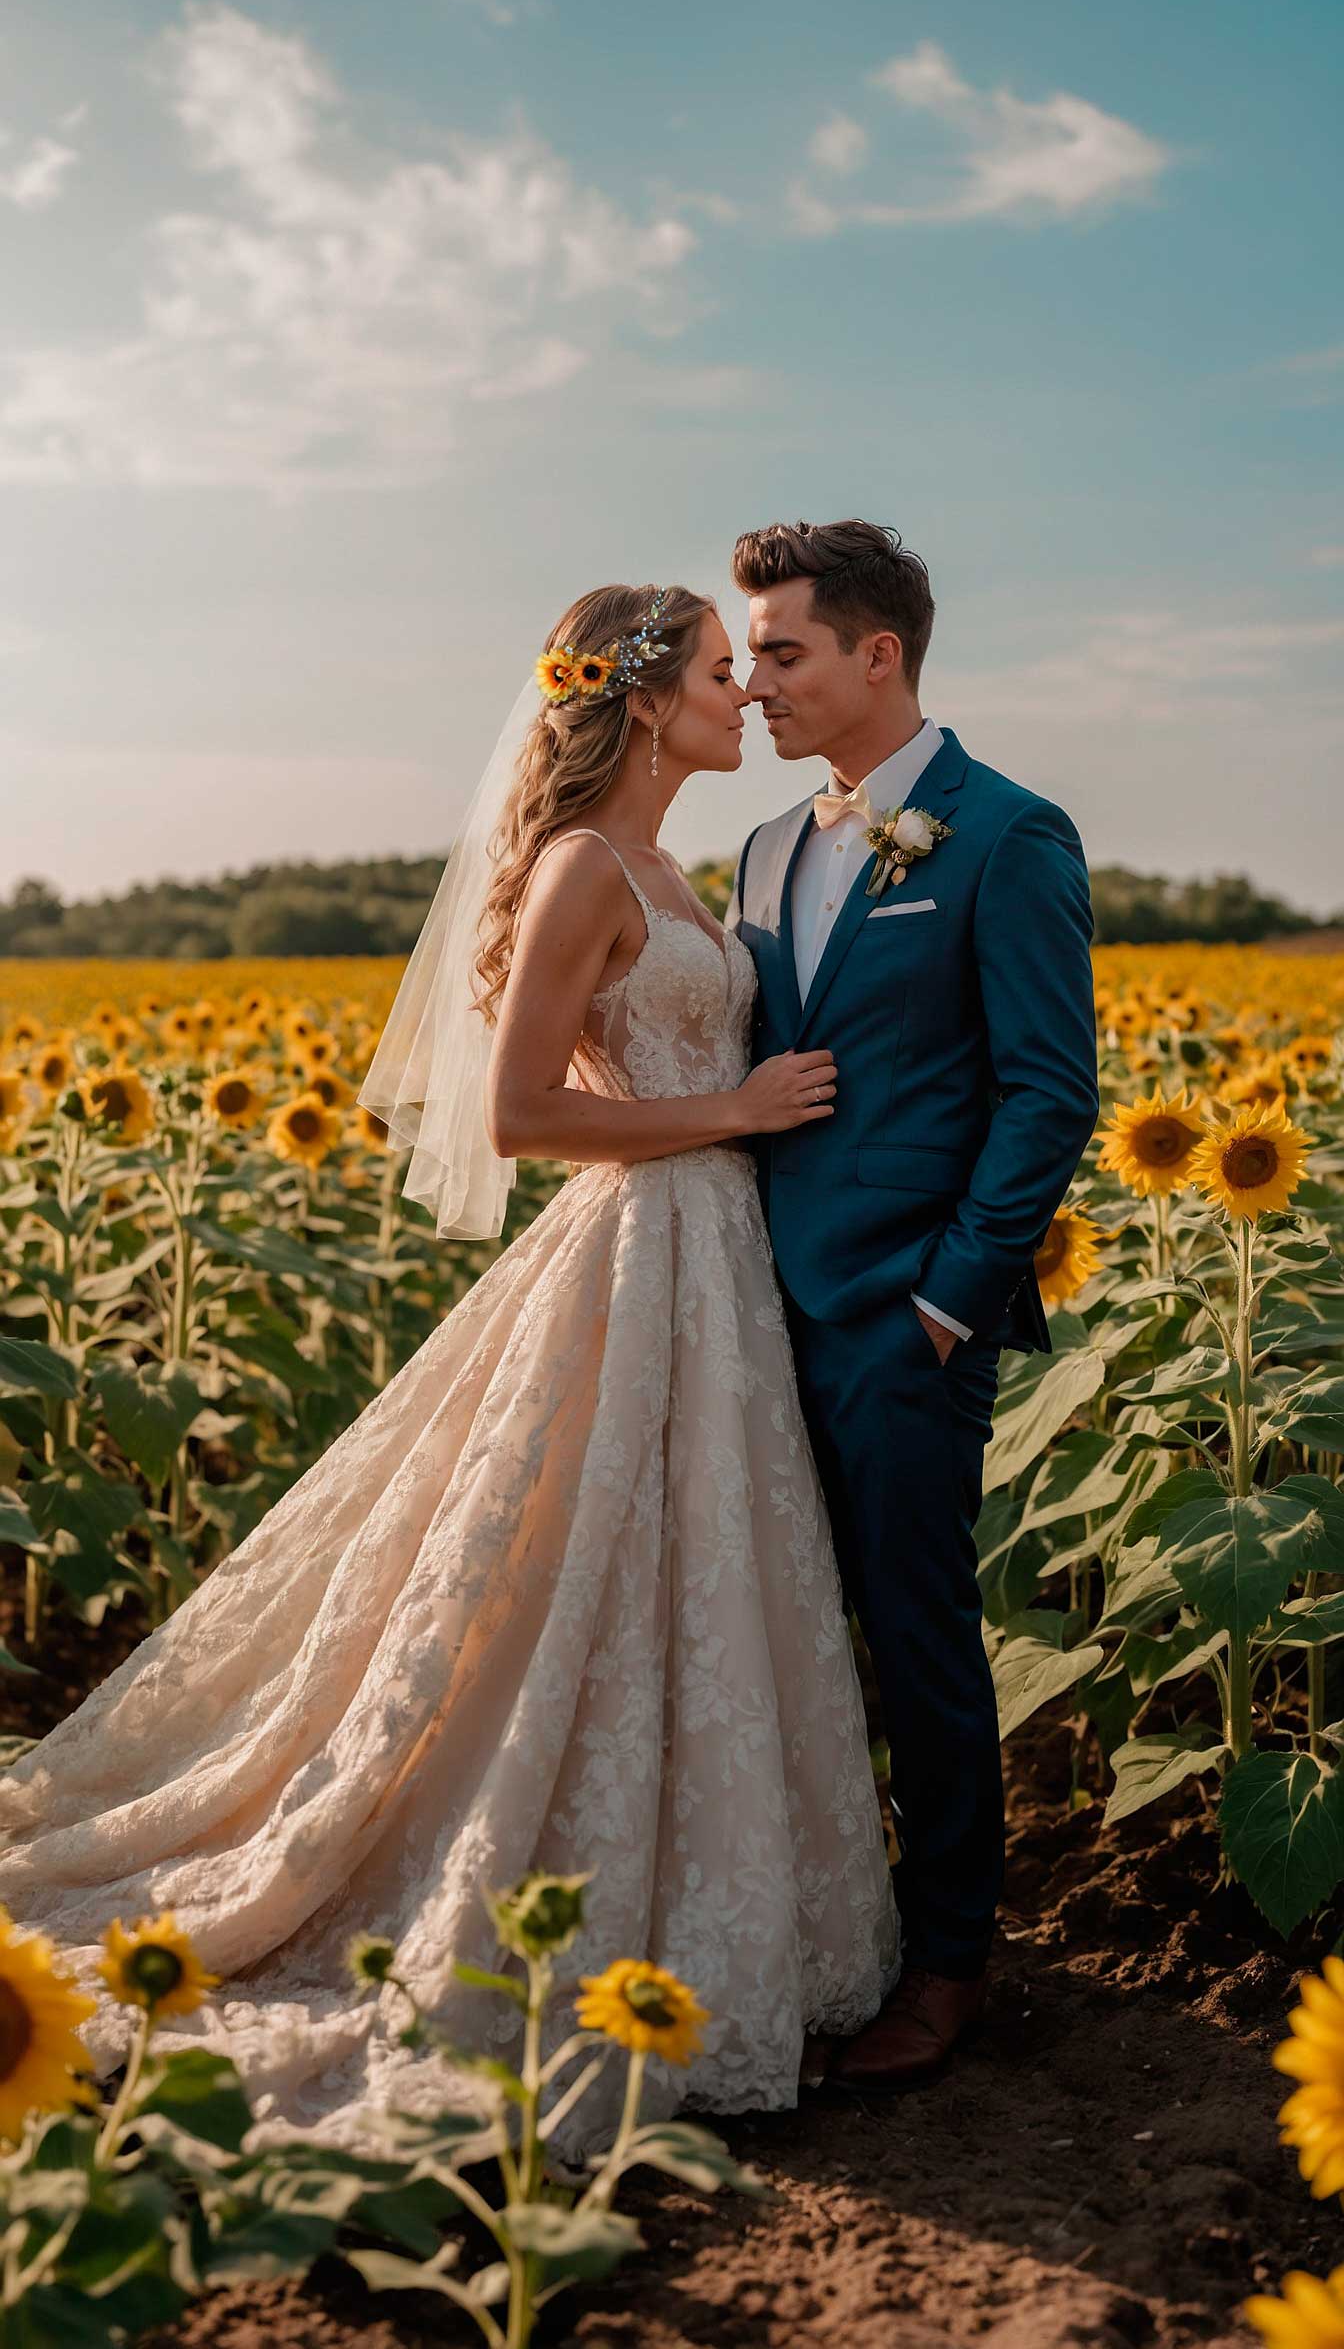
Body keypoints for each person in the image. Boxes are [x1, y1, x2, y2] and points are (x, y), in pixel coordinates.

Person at [0, 583, 896, 2160]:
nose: (741, 692)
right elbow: (522, 1114)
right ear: (636, 700)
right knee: (567, 1574)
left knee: (681, 1573)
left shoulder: (668, 864)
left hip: (716, 1262)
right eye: (712, 671)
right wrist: (736, 1114)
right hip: (649, 1236)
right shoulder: (575, 868)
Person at [727, 518, 1100, 2090]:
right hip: (749, 1317)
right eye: (745, 657)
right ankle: (822, 1935)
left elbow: (1047, 1095)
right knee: (778, 1639)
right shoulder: (758, 849)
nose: (752, 687)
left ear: (882, 654)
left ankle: (951, 1965)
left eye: (782, 652)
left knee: (917, 1638)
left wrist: (947, 1305)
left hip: (900, 1327)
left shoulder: (1006, 833)